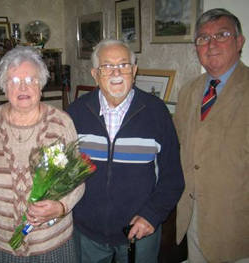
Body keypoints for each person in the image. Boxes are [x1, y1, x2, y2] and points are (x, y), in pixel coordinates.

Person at [67, 39, 185, 263]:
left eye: (123, 65)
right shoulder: (76, 113)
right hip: (87, 232)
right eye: (107, 66)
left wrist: (152, 216)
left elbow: (172, 177)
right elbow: (64, 169)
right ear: (94, 73)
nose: (116, 73)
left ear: (135, 70)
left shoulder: (156, 113)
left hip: (139, 232)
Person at [0, 46, 85, 262]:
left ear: (41, 84)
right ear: (4, 87)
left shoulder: (60, 123)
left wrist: (61, 206)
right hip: (0, 243)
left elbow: (76, 180)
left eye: (30, 79)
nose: (23, 87)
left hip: (52, 243)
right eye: (14, 81)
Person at [174, 8, 249, 263]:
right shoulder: (188, 91)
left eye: (222, 34)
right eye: (203, 38)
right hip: (193, 219)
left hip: (237, 228)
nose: (211, 44)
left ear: (240, 42)